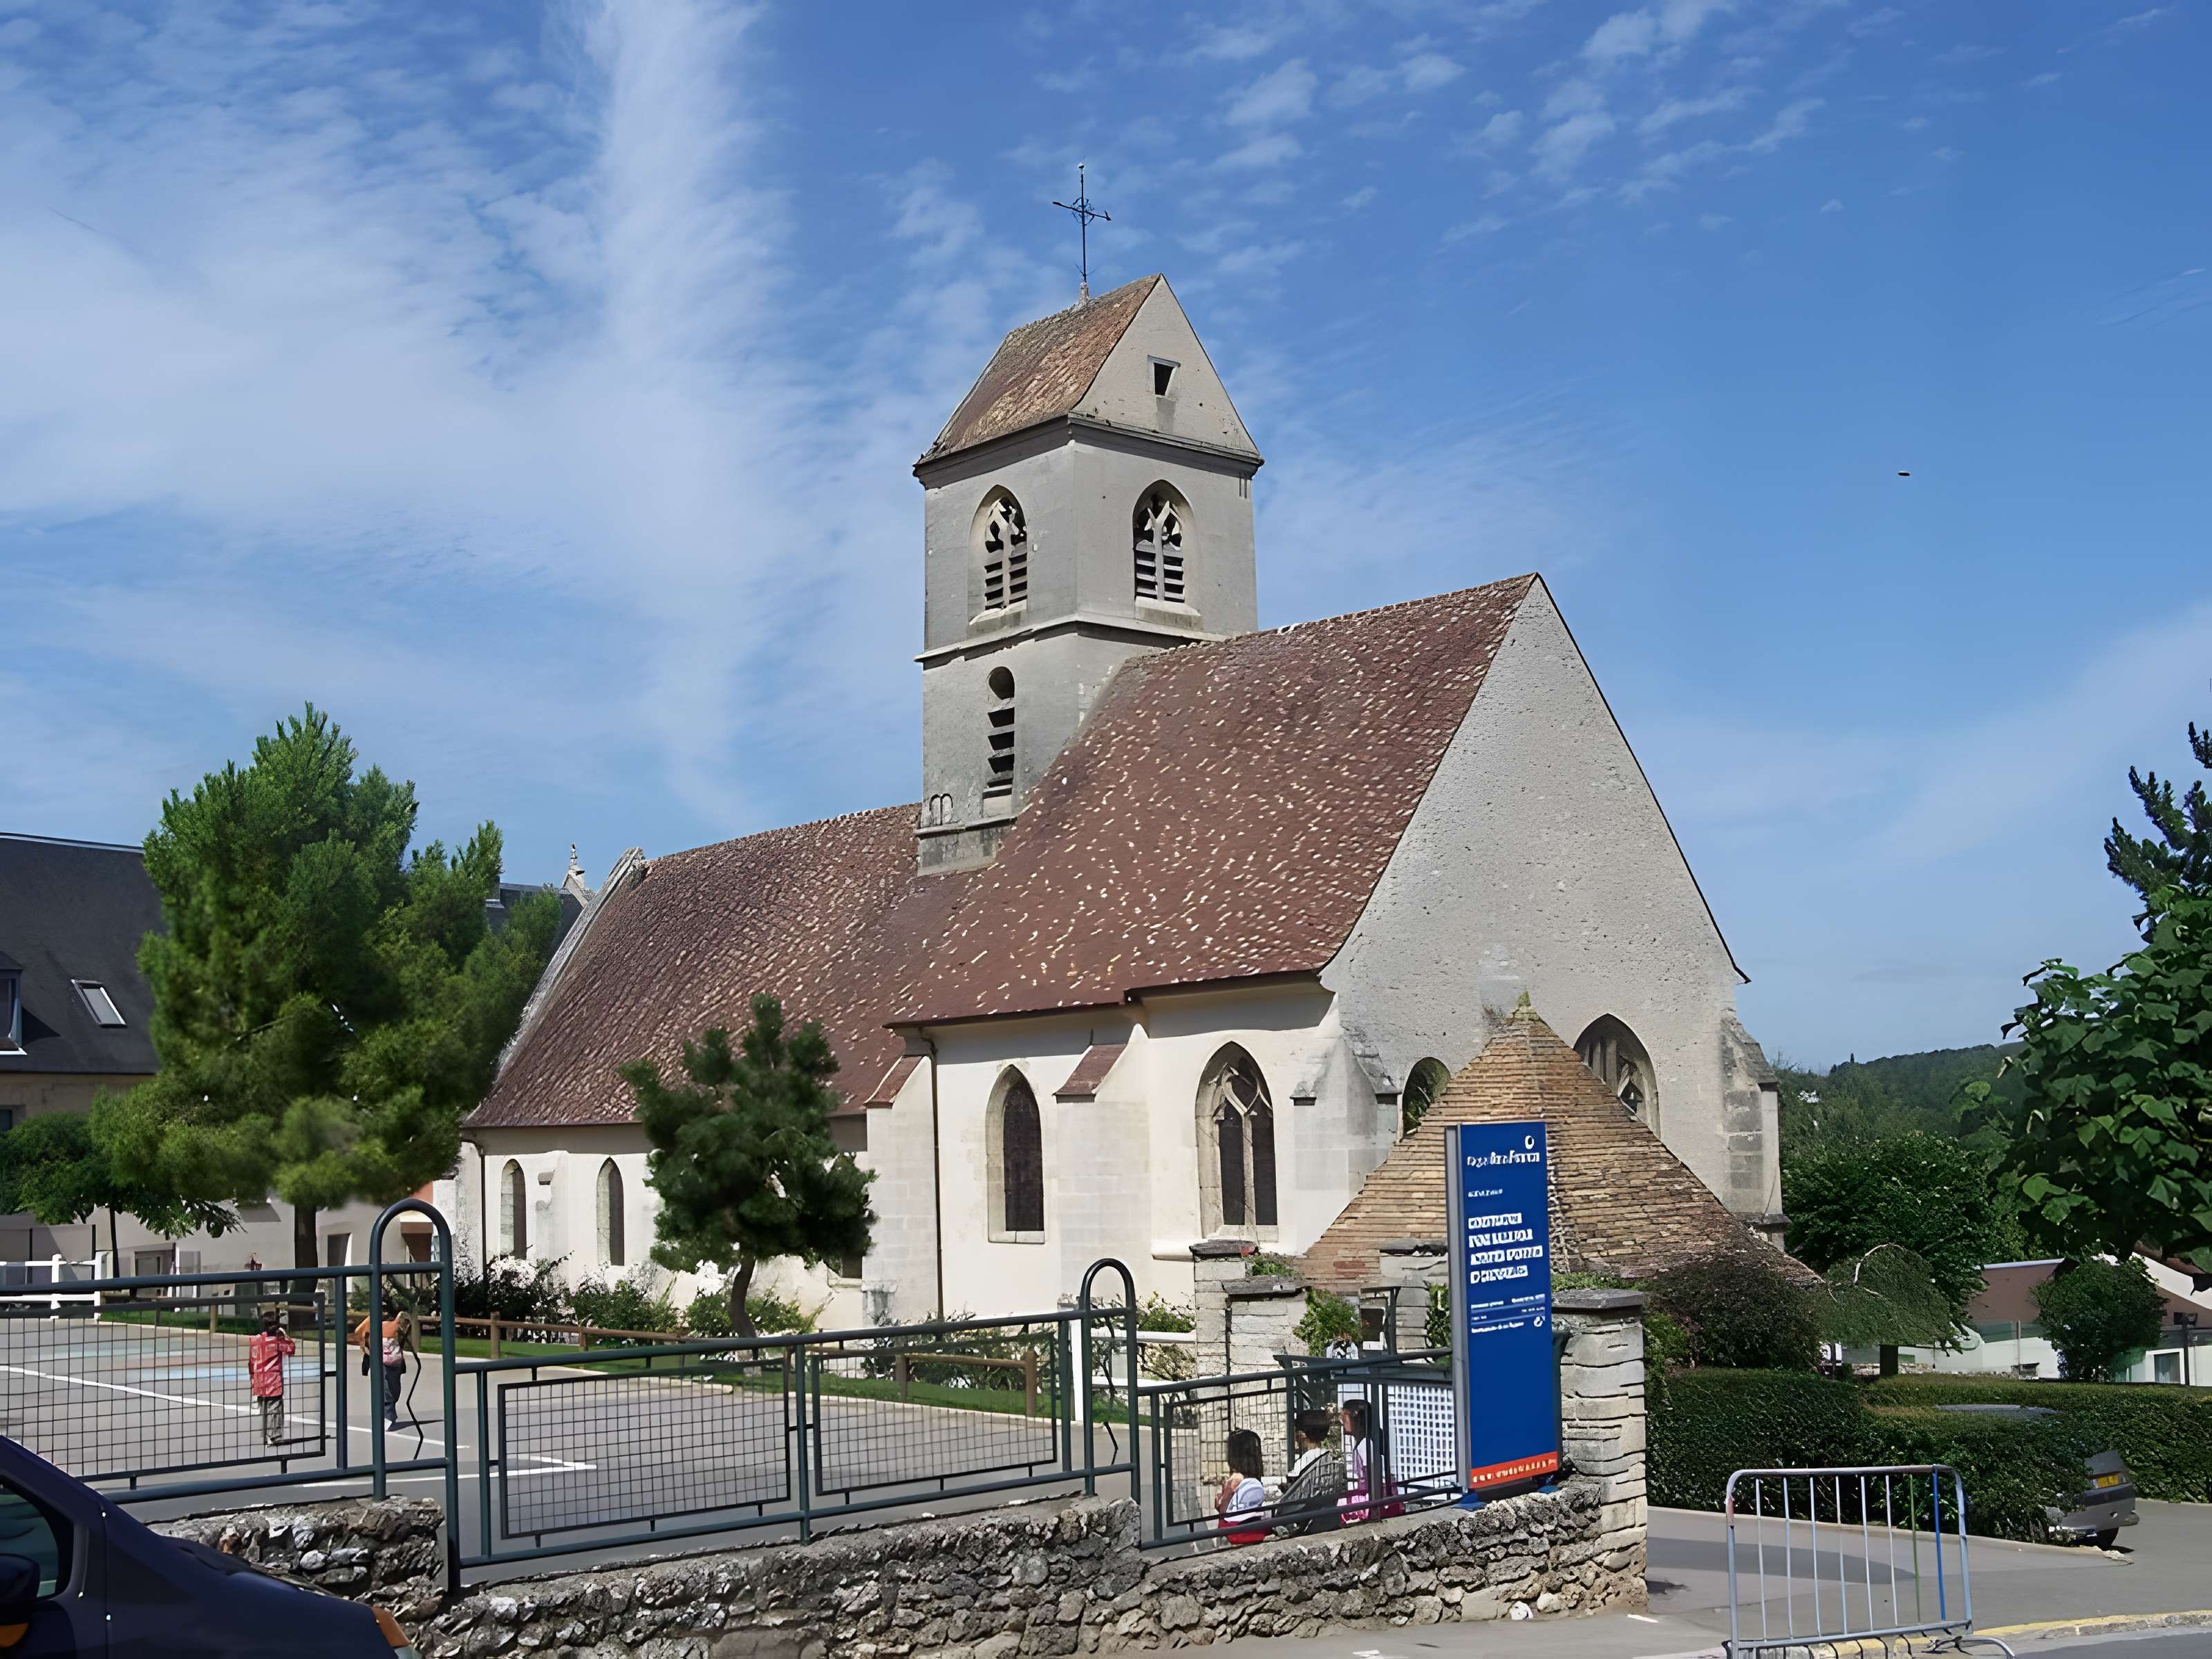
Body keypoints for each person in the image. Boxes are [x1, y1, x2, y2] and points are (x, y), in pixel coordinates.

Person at [352, 1293, 415, 1431]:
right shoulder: (371, 1325)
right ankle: (388, 1416)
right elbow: (361, 1337)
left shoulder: (393, 1326)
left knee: (391, 1388)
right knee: (387, 1389)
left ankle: (389, 1414)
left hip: (392, 1361)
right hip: (383, 1362)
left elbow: (404, 1337)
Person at [247, 1307, 294, 1446]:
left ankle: (265, 1434)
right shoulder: (277, 1341)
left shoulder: (255, 1340)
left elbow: (251, 1361)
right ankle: (275, 1436)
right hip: (273, 1380)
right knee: (275, 1408)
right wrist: (285, 1335)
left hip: (258, 1379)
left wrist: (252, 1377)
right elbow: (291, 1349)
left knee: (264, 1409)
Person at [1215, 1429, 1269, 1545]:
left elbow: (1221, 1508)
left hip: (1233, 1531)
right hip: (1246, 1531)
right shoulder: (1250, 1480)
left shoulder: (1234, 1480)